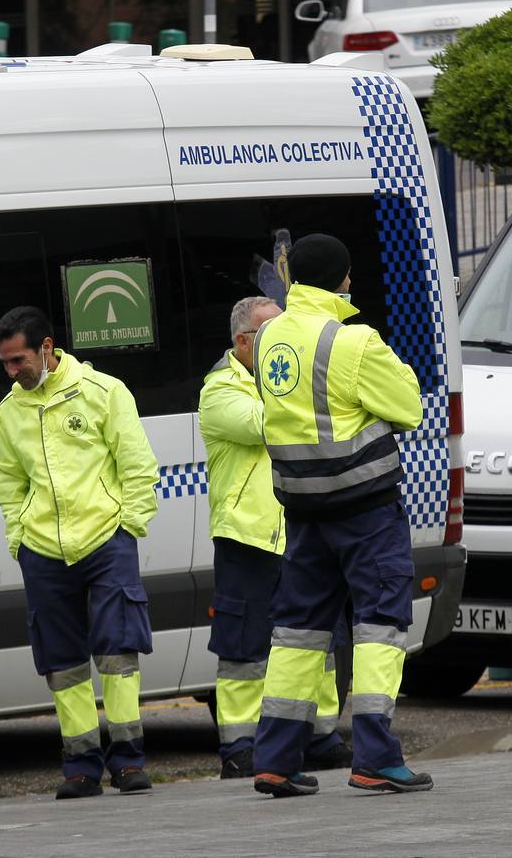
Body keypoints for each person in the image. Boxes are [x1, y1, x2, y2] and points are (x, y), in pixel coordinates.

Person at [248, 233, 432, 797]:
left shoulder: (270, 336)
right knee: (380, 626)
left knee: (298, 632)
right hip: (366, 511)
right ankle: (375, 757)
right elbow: (410, 406)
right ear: (345, 279)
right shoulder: (354, 341)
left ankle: (275, 760)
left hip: (302, 511)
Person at [0, 306, 159, 799]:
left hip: (107, 540)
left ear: (46, 348)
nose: (11, 371)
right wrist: (19, 539)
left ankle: (129, 762)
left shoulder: (104, 392)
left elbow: (138, 466)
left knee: (118, 652)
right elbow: (8, 479)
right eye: (4, 363)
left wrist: (128, 527)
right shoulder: (9, 411)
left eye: (17, 360)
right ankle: (81, 766)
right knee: (61, 662)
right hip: (42, 551)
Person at [198, 295, 353, 779]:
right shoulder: (220, 389)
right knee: (244, 648)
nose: (282, 342)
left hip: (299, 530)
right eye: (271, 335)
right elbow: (267, 424)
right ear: (243, 343)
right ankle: (240, 746)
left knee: (315, 641)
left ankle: (320, 734)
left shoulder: (280, 378)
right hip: (248, 539)